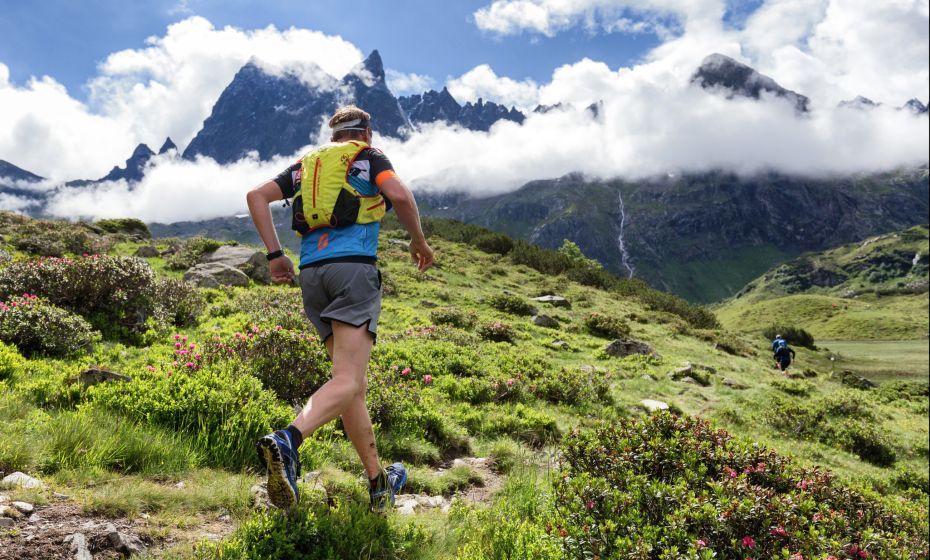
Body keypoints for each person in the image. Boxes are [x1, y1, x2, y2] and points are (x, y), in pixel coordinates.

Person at [245, 105, 434, 512]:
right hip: (353, 272)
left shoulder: (305, 166)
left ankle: (378, 482)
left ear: (333, 135)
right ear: (365, 131)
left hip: (313, 277)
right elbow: (399, 194)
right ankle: (287, 441)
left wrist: (276, 255)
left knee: (352, 385)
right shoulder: (368, 156)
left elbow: (256, 196)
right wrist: (418, 240)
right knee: (347, 381)